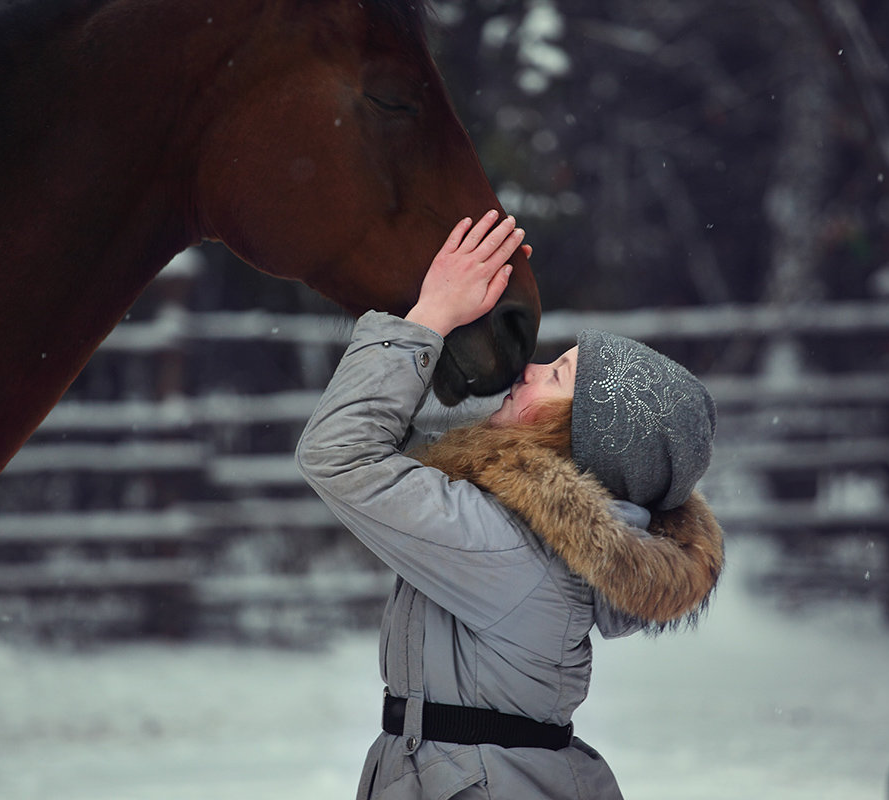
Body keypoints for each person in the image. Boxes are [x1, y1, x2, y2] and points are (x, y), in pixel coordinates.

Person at [297, 210, 723, 800]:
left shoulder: (513, 554)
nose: (529, 370)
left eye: (557, 376)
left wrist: (432, 316)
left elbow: (341, 456)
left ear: (575, 438)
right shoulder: (537, 537)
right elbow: (419, 449)